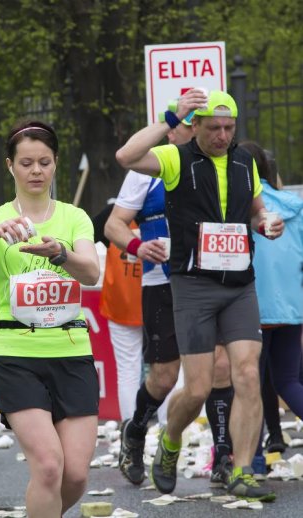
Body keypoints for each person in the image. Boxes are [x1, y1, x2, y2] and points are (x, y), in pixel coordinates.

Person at [116, 90, 284, 502]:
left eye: (229, 128)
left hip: (239, 284)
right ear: (196, 127)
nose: (223, 136)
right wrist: (172, 115)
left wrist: (266, 222)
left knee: (246, 373)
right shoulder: (176, 158)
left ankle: (241, 470)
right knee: (196, 388)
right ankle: (170, 442)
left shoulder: (245, 162)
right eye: (214, 128)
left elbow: (257, 209)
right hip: (192, 285)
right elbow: (126, 155)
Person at [0, 119, 100, 518]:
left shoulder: (74, 217)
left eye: (44, 163)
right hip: (17, 354)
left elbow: (92, 272)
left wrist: (60, 254)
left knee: (77, 476)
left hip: (71, 351)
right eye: (27, 162)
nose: (36, 171)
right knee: (49, 466)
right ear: (10, 166)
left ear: (55, 166)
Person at [106, 102, 234, 486]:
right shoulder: (151, 167)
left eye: (193, 124)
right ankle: (136, 432)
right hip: (162, 282)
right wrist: (136, 246)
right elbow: (114, 224)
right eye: (180, 124)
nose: (184, 131)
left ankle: (224, 456)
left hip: (212, 280)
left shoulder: (216, 162)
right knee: (164, 377)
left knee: (222, 366)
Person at [241, 141, 303, 464]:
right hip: (293, 306)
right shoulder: (295, 205)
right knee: (289, 381)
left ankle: (250, 460)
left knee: (249, 385)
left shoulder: (242, 204)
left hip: (252, 306)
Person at [92, 201, 143, 422]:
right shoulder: (169, 207)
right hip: (159, 300)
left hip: (121, 304)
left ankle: (131, 432)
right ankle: (168, 432)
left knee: (128, 371)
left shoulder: (111, 214)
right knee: (168, 371)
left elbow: (84, 241)